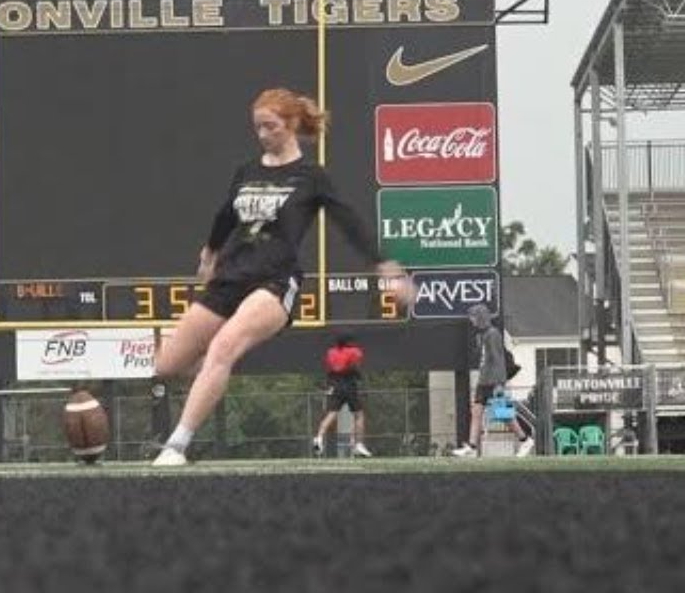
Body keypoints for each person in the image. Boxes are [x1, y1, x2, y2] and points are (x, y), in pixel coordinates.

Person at [151, 88, 412, 466]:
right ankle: (214, 366)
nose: (262, 134)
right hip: (230, 277)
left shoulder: (310, 176)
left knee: (224, 348)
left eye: (270, 126)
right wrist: (209, 254)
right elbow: (226, 216)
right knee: (167, 365)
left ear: (290, 125)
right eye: (257, 127)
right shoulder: (247, 171)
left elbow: (349, 221)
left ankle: (177, 445)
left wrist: (384, 265)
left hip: (273, 282)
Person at [453, 305, 534, 458]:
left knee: (503, 414)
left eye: (473, 317)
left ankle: (525, 440)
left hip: (493, 381)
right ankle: (471, 446)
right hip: (484, 381)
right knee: (476, 411)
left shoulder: (493, 334)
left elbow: (497, 360)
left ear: (481, 317)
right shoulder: (483, 335)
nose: (472, 321)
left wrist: (498, 384)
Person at [311, 335, 371, 458]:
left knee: (331, 413)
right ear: (349, 342)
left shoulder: (331, 352)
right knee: (359, 415)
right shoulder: (354, 351)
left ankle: (319, 437)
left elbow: (331, 367)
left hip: (335, 385)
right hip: (349, 385)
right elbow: (354, 365)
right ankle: (358, 444)